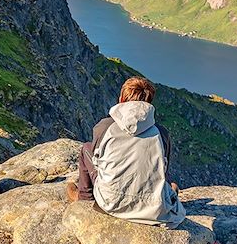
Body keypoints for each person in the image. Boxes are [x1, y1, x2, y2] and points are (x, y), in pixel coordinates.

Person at [66, 76, 185, 228]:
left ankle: (84, 198)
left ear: (121, 98)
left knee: (86, 150)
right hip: (154, 208)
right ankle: (167, 193)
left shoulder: (104, 126)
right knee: (166, 177)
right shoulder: (161, 134)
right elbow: (163, 169)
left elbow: (98, 161)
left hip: (110, 201)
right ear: (149, 103)